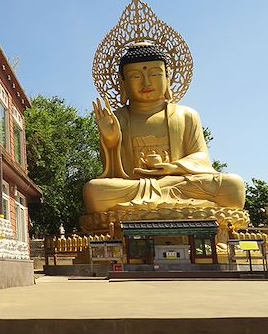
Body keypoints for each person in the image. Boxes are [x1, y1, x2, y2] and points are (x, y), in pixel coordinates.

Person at [84, 41, 245, 213]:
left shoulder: (186, 115)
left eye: (155, 74)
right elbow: (113, 174)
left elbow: (201, 156)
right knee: (93, 190)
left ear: (167, 79)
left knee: (233, 185)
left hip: (178, 181)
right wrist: (111, 142)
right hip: (136, 186)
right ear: (123, 83)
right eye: (135, 76)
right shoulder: (116, 118)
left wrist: (174, 168)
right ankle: (170, 199)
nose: (146, 83)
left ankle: (158, 196)